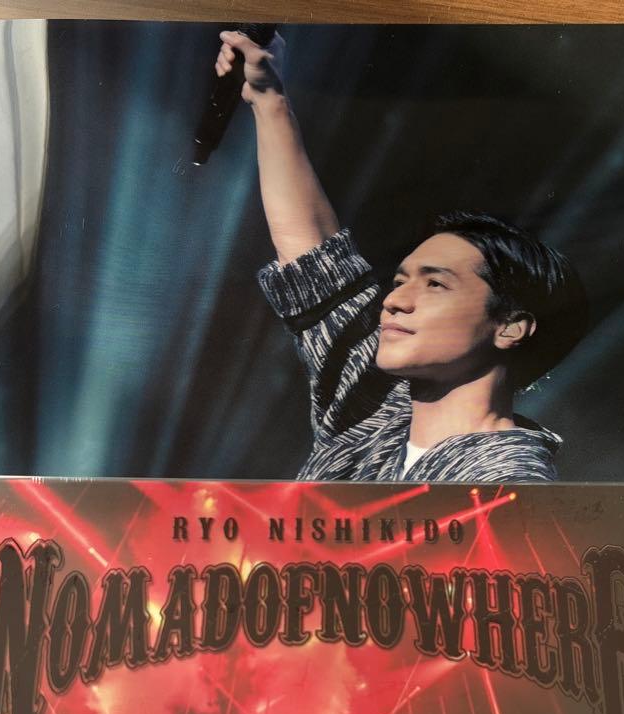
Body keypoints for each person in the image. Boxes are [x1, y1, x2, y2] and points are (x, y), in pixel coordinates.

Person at [215, 31, 588, 484]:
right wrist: (269, 98)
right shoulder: (370, 412)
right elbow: (315, 256)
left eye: (435, 284)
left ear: (510, 326)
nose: (393, 301)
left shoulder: (510, 480)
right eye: (398, 282)